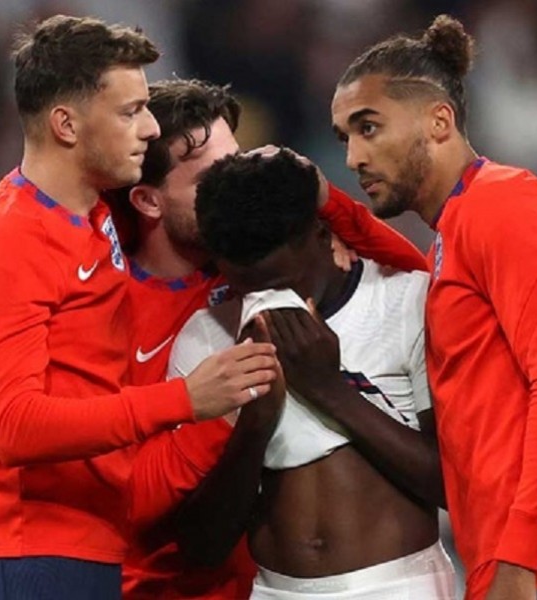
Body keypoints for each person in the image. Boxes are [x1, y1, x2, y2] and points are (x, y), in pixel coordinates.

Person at [0, 17, 280, 600]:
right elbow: (14, 425)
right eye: (129, 112)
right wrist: (186, 401)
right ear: (65, 124)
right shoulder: (4, 241)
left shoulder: (94, 221)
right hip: (29, 562)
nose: (148, 130)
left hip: (91, 559)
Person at [330, 14, 537, 600]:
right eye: (346, 135)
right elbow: (432, 273)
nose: (352, 156)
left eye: (369, 128)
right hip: (520, 566)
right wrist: (329, 205)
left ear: (439, 121)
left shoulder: (503, 206)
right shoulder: (463, 221)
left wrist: (518, 557)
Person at [101, 79, 429, 599]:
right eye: (213, 176)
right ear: (148, 200)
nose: (236, 184)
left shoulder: (264, 266)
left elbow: (415, 281)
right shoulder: (114, 312)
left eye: (241, 159)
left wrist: (327, 204)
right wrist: (231, 412)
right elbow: (125, 495)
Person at [163, 148, 456, 599]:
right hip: (275, 590)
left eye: (281, 282)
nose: (266, 300)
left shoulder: (405, 303)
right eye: (246, 286)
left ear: (321, 235)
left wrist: (329, 389)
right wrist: (255, 424)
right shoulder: (204, 341)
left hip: (402, 583)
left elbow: (452, 486)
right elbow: (201, 546)